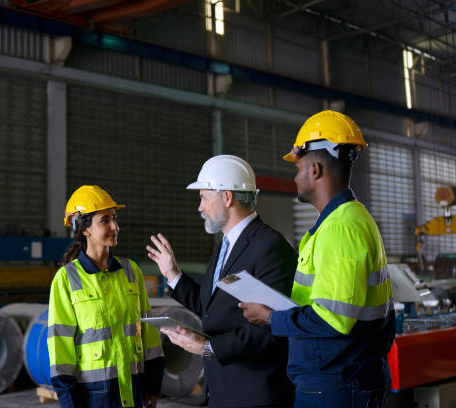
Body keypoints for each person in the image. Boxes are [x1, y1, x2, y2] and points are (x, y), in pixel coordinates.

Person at [239, 110, 396, 408]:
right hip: (344, 377)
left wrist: (271, 317)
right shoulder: (347, 219)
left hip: (337, 383)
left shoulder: (340, 227)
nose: (295, 177)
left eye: (298, 169)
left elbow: (331, 318)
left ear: (314, 170)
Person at [146, 155, 297, 407]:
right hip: (222, 393)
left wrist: (207, 347)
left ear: (226, 197)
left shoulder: (271, 248)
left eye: (204, 198)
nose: (200, 207)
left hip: (255, 396)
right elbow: (213, 308)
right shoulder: (225, 247)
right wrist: (173, 275)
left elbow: (272, 329)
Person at [48, 185, 164, 408]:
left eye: (115, 219)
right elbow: (60, 349)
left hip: (134, 389)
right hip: (95, 397)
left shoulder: (131, 271)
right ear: (85, 229)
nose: (115, 227)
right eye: (105, 220)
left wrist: (152, 387)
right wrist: (69, 402)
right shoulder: (66, 279)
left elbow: (149, 334)